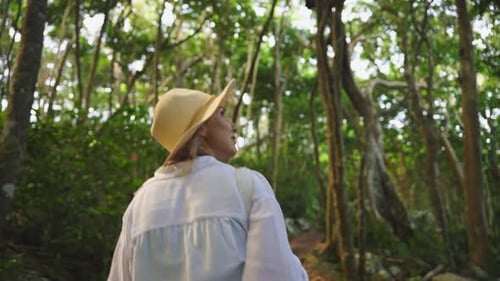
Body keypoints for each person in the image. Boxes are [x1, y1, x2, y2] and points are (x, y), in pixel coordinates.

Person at [107, 79, 308, 281]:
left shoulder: (139, 206)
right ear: (201, 128)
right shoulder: (246, 188)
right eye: (221, 114)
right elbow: (278, 274)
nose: (233, 126)